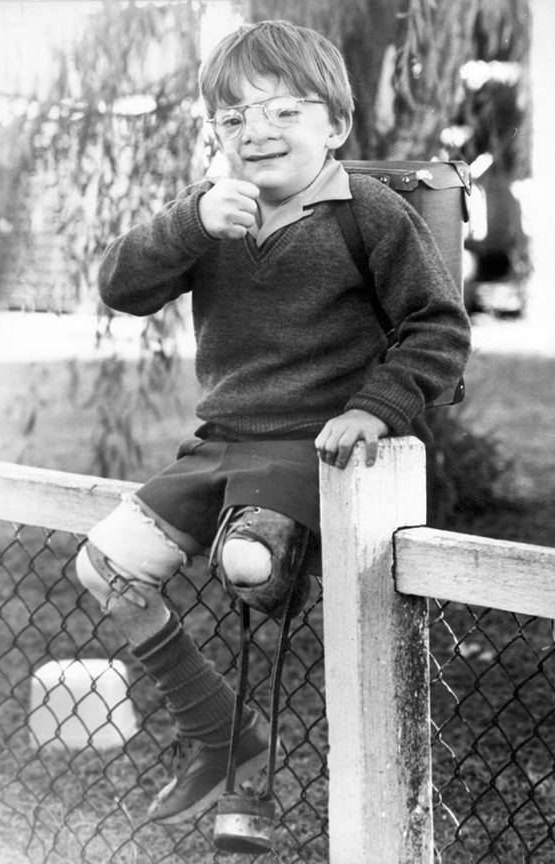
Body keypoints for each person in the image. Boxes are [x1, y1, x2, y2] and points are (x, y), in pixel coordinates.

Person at [76, 19, 471, 824]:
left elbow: (438, 327)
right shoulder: (211, 214)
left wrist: (375, 408)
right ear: (216, 134)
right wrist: (190, 223)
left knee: (251, 562)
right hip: (220, 443)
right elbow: (120, 286)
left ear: (336, 124)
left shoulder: (368, 213)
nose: (256, 131)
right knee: (105, 570)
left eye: (285, 111)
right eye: (233, 117)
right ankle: (220, 735)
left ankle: (252, 786)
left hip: (311, 446)